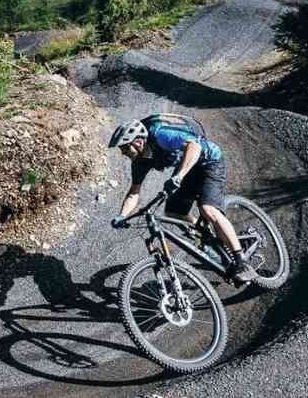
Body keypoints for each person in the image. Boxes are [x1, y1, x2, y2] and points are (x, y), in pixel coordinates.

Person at [108, 117, 259, 285]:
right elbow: (133, 193)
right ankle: (207, 236)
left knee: (207, 208)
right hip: (188, 170)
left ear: (137, 142)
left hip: (209, 162)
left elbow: (194, 146)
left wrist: (178, 177)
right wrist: (122, 215)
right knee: (174, 213)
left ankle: (241, 262)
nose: (123, 153)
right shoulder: (139, 163)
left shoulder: (160, 135)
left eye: (124, 147)